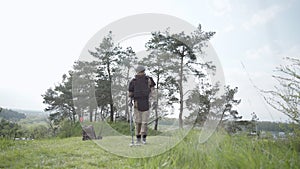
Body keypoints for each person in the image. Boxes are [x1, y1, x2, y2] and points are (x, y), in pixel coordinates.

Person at [128, 65, 156, 144]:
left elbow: (153, 91)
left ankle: (143, 138)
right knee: (138, 122)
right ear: (137, 72)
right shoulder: (133, 81)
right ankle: (138, 139)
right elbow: (130, 93)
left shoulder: (148, 80)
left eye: (142, 72)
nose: (141, 73)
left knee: (145, 122)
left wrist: (154, 101)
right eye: (140, 72)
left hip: (146, 102)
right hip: (137, 103)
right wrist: (129, 101)